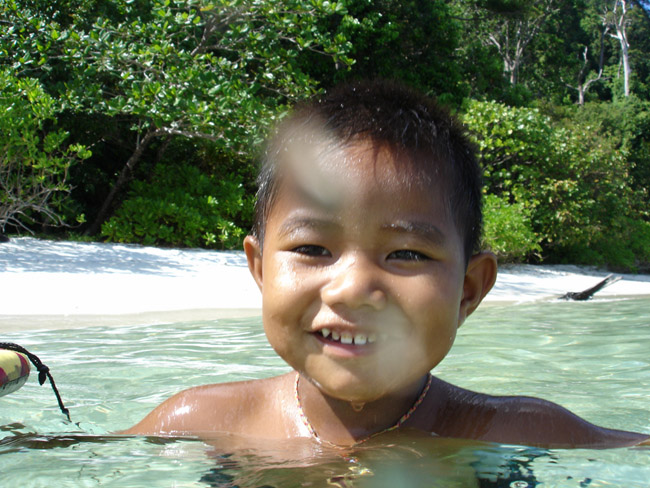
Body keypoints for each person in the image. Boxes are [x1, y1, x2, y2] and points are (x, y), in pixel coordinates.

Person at [122, 80, 649, 449]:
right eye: (312, 249)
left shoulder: (517, 430)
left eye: (406, 254)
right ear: (260, 270)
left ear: (468, 290)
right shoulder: (199, 422)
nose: (352, 289)